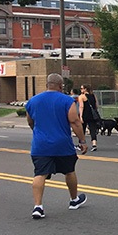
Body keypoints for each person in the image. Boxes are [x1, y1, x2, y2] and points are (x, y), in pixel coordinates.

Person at [25, 73, 88, 219]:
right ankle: (73, 200)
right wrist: (83, 141)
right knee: (69, 171)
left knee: (40, 173)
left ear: (47, 85)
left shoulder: (33, 101)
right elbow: (75, 122)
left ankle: (38, 207)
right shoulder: (67, 100)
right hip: (62, 145)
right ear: (60, 86)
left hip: (40, 146)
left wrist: (39, 133)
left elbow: (30, 122)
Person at [78, 84, 100, 151]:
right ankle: (94, 144)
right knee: (92, 130)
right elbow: (96, 106)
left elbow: (81, 107)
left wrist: (81, 116)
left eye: (82, 88)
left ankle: (81, 144)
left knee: (82, 130)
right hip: (92, 115)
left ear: (85, 89)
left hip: (85, 115)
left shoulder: (82, 97)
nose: (81, 90)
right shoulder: (93, 96)